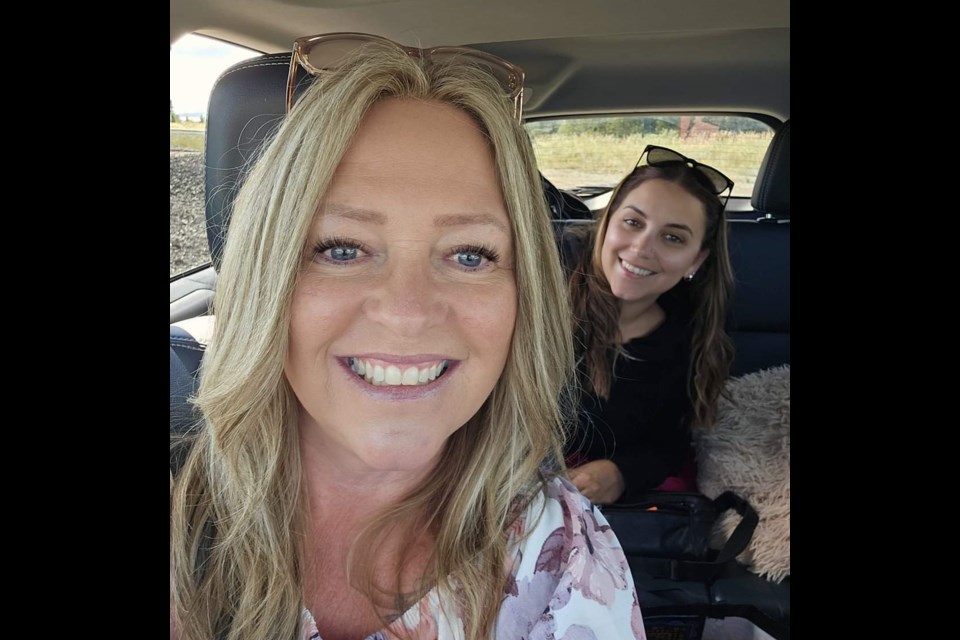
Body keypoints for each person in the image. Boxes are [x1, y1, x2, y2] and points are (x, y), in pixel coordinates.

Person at [170, 33, 645, 640]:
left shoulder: (566, 560)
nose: (406, 312)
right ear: (269, 277)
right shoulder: (183, 504)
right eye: (341, 249)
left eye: (471, 255)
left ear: (525, 297)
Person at [562, 145, 735, 506]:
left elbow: (668, 443)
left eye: (672, 237)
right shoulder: (540, 290)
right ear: (606, 224)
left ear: (696, 260)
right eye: (633, 222)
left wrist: (620, 472)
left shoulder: (687, 343)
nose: (641, 248)